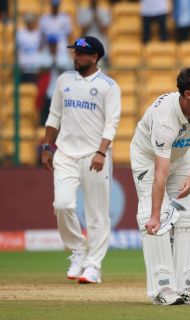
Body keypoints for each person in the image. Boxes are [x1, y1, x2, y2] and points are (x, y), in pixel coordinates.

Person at [130, 66, 190, 305]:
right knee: (153, 219)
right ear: (188, 94)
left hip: (181, 158)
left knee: (188, 216)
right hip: (148, 159)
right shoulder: (165, 119)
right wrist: (156, 215)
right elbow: (161, 173)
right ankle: (162, 289)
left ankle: (184, 288)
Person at [41, 36, 121, 284]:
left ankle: (93, 266)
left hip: (94, 155)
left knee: (97, 214)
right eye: (74, 52)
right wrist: (46, 146)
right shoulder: (64, 80)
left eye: (81, 53)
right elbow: (54, 116)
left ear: (95, 57)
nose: (75, 57)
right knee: (63, 205)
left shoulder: (108, 86)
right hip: (65, 153)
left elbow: (112, 123)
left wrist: (101, 151)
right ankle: (78, 250)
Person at [37, 35, 72, 125]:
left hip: (61, 91)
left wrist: (56, 64)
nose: (52, 47)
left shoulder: (63, 56)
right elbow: (39, 71)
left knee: (61, 117)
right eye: (51, 45)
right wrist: (49, 66)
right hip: (47, 91)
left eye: (54, 45)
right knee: (46, 116)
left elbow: (68, 72)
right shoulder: (44, 56)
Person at [16, 12, 41, 83]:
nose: (30, 23)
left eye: (31, 21)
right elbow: (17, 50)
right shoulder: (20, 33)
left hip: (35, 68)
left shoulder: (38, 34)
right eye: (28, 21)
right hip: (23, 67)